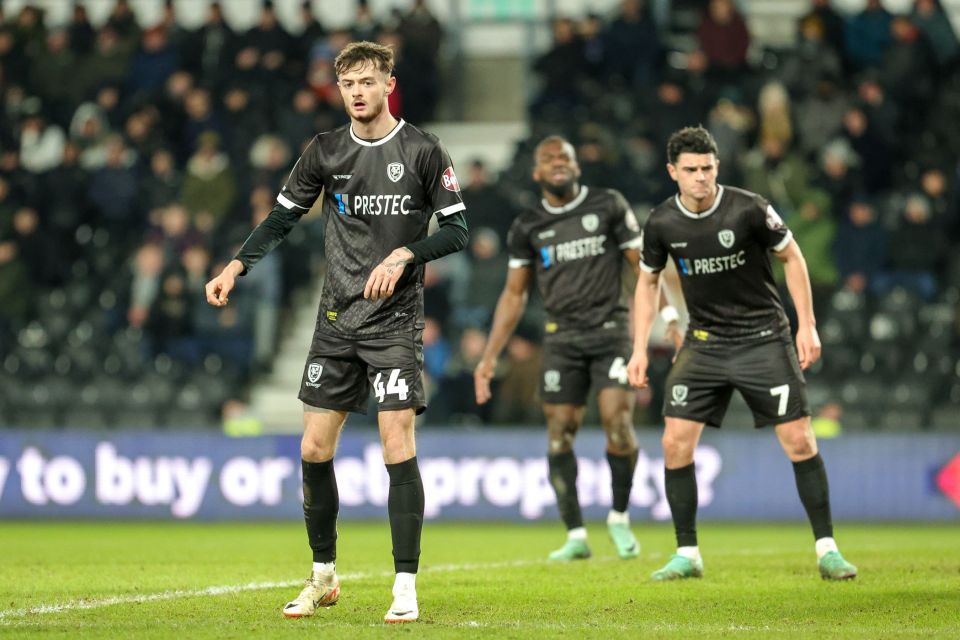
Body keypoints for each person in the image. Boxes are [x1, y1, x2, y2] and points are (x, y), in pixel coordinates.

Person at [204, 41, 468, 623]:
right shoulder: (324, 150)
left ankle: (405, 585)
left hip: (396, 322)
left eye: (367, 81)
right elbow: (282, 216)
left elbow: (457, 230)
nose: (356, 91)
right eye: (348, 82)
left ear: (388, 84)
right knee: (313, 448)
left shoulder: (424, 150)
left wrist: (405, 254)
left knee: (396, 444)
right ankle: (324, 575)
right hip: (335, 323)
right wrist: (235, 265)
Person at [626, 126, 857, 581]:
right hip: (706, 341)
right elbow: (647, 282)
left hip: (763, 337)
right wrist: (637, 348)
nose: (700, 178)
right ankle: (687, 554)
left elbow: (793, 258)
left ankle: (827, 550)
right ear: (673, 172)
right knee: (674, 443)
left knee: (799, 440)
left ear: (718, 167)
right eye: (690, 170)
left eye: (707, 168)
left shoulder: (749, 208)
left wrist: (805, 325)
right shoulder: (661, 222)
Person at [473, 135, 679, 562]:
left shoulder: (607, 205)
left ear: (577, 166)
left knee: (617, 424)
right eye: (549, 159)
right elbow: (514, 296)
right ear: (536, 173)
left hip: (611, 332)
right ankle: (575, 534)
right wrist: (490, 356)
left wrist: (671, 320)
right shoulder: (527, 226)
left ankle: (619, 518)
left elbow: (645, 268)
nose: (558, 163)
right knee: (559, 432)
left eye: (565, 156)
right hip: (562, 338)